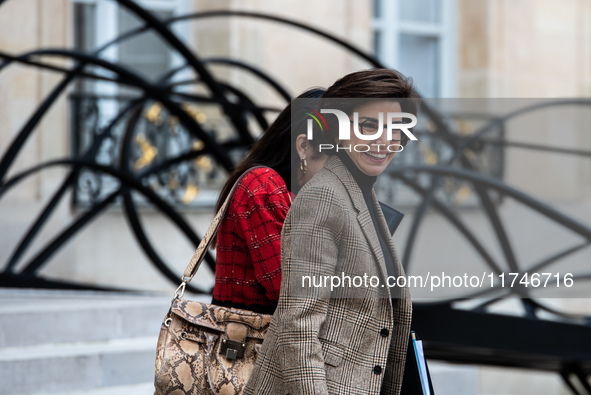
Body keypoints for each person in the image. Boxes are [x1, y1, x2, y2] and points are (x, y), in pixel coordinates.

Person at [245, 69, 418, 394]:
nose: (384, 140)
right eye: (369, 126)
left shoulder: (361, 195)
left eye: (395, 129)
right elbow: (298, 323)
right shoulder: (324, 195)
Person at [211, 88, 327, 314]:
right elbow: (289, 287)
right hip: (250, 342)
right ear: (304, 147)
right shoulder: (263, 185)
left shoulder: (294, 193)